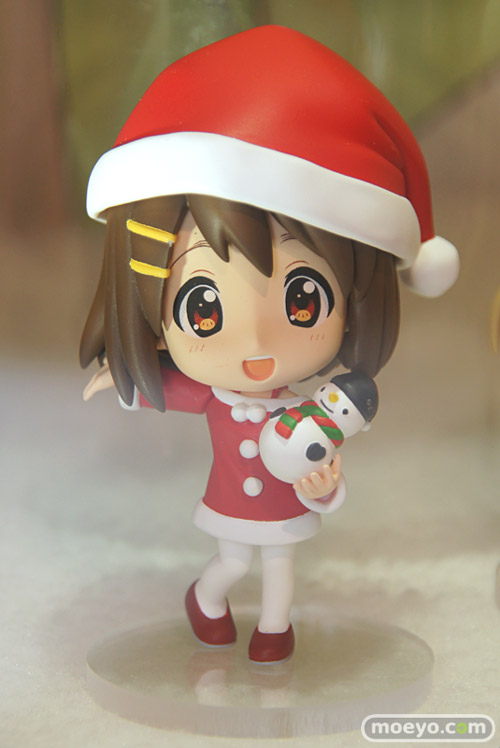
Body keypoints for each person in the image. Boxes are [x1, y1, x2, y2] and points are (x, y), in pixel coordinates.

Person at [80, 25, 458, 663]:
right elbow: (168, 392)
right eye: (204, 309)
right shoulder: (216, 397)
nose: (256, 342)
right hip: (229, 507)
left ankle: (275, 632)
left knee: (280, 571)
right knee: (231, 564)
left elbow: (323, 473)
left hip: (284, 509)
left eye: (303, 299)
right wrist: (119, 383)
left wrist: (324, 483)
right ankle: (206, 601)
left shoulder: (311, 410)